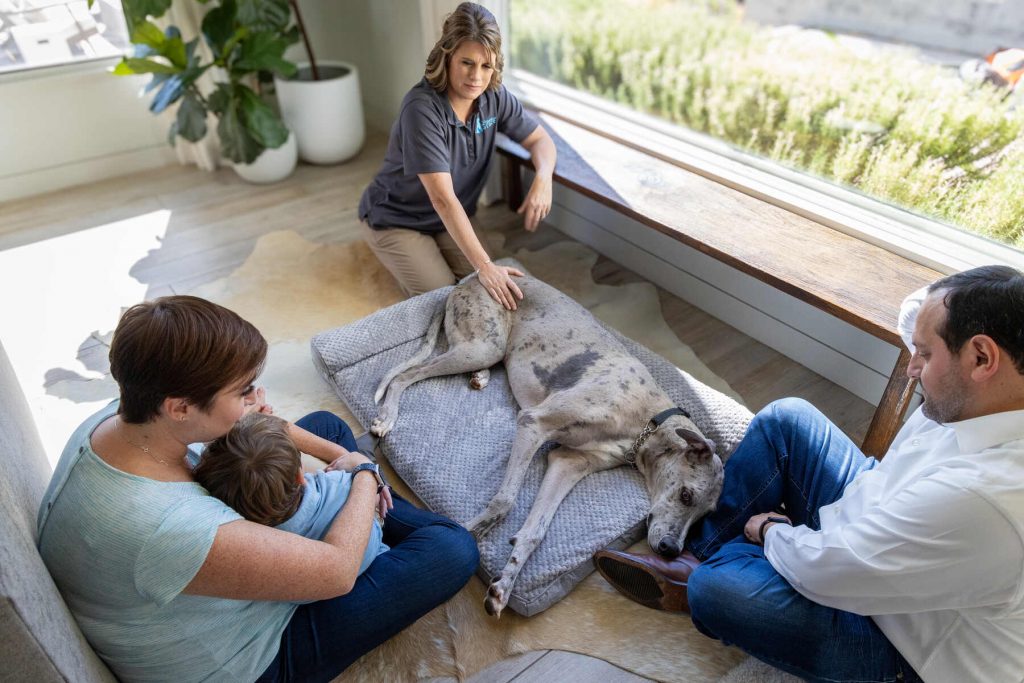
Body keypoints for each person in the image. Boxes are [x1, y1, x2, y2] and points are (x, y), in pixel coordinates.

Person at [594, 265, 1024, 683]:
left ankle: (707, 571)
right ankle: (700, 556)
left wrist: (772, 533)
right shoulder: (990, 389)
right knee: (788, 418)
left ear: (982, 357)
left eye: (925, 355)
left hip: (903, 637)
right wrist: (939, 322)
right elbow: (920, 310)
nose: (912, 368)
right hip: (881, 516)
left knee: (717, 592)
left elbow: (832, 569)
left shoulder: (985, 500)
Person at [37, 295, 479, 682]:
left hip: (175, 582)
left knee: (324, 428)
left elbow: (256, 426)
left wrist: (336, 460)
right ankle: (377, 513)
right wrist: (364, 473)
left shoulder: (124, 416)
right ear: (181, 407)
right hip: (244, 664)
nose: (255, 397)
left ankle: (368, 511)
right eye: (243, 390)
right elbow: (337, 571)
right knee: (450, 548)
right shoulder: (168, 527)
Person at [358, 1, 557, 310]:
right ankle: (387, 250)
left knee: (495, 291)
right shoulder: (421, 109)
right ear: (447, 56)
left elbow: (541, 140)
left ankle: (447, 255)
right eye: (467, 63)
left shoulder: (494, 96)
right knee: (445, 298)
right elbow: (442, 199)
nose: (476, 76)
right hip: (398, 218)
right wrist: (484, 266)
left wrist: (543, 178)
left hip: (451, 216)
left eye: (486, 66)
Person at [193, 411, 389, 577]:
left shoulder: (251, 539)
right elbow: (355, 480)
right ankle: (369, 459)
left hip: (365, 559)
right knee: (336, 431)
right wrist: (362, 465)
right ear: (299, 476)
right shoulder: (337, 482)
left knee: (326, 424)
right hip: (372, 532)